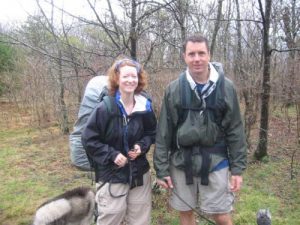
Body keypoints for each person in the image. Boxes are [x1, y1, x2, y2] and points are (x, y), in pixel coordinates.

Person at [153, 34, 247, 225]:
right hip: (181, 161)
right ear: (184, 56)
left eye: (201, 53)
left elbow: (235, 130)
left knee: (221, 214)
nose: (197, 59)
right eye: (192, 54)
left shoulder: (226, 87)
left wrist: (237, 169)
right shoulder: (174, 89)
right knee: (186, 212)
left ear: (209, 54)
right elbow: (164, 132)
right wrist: (161, 169)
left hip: (216, 160)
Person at [81, 58, 157, 225]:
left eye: (134, 76)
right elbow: (88, 138)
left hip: (139, 174)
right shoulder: (105, 108)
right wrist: (112, 155)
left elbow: (152, 132)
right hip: (112, 174)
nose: (130, 80)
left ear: (139, 79)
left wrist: (141, 146)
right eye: (126, 76)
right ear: (116, 79)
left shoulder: (145, 106)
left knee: (140, 220)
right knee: (111, 219)